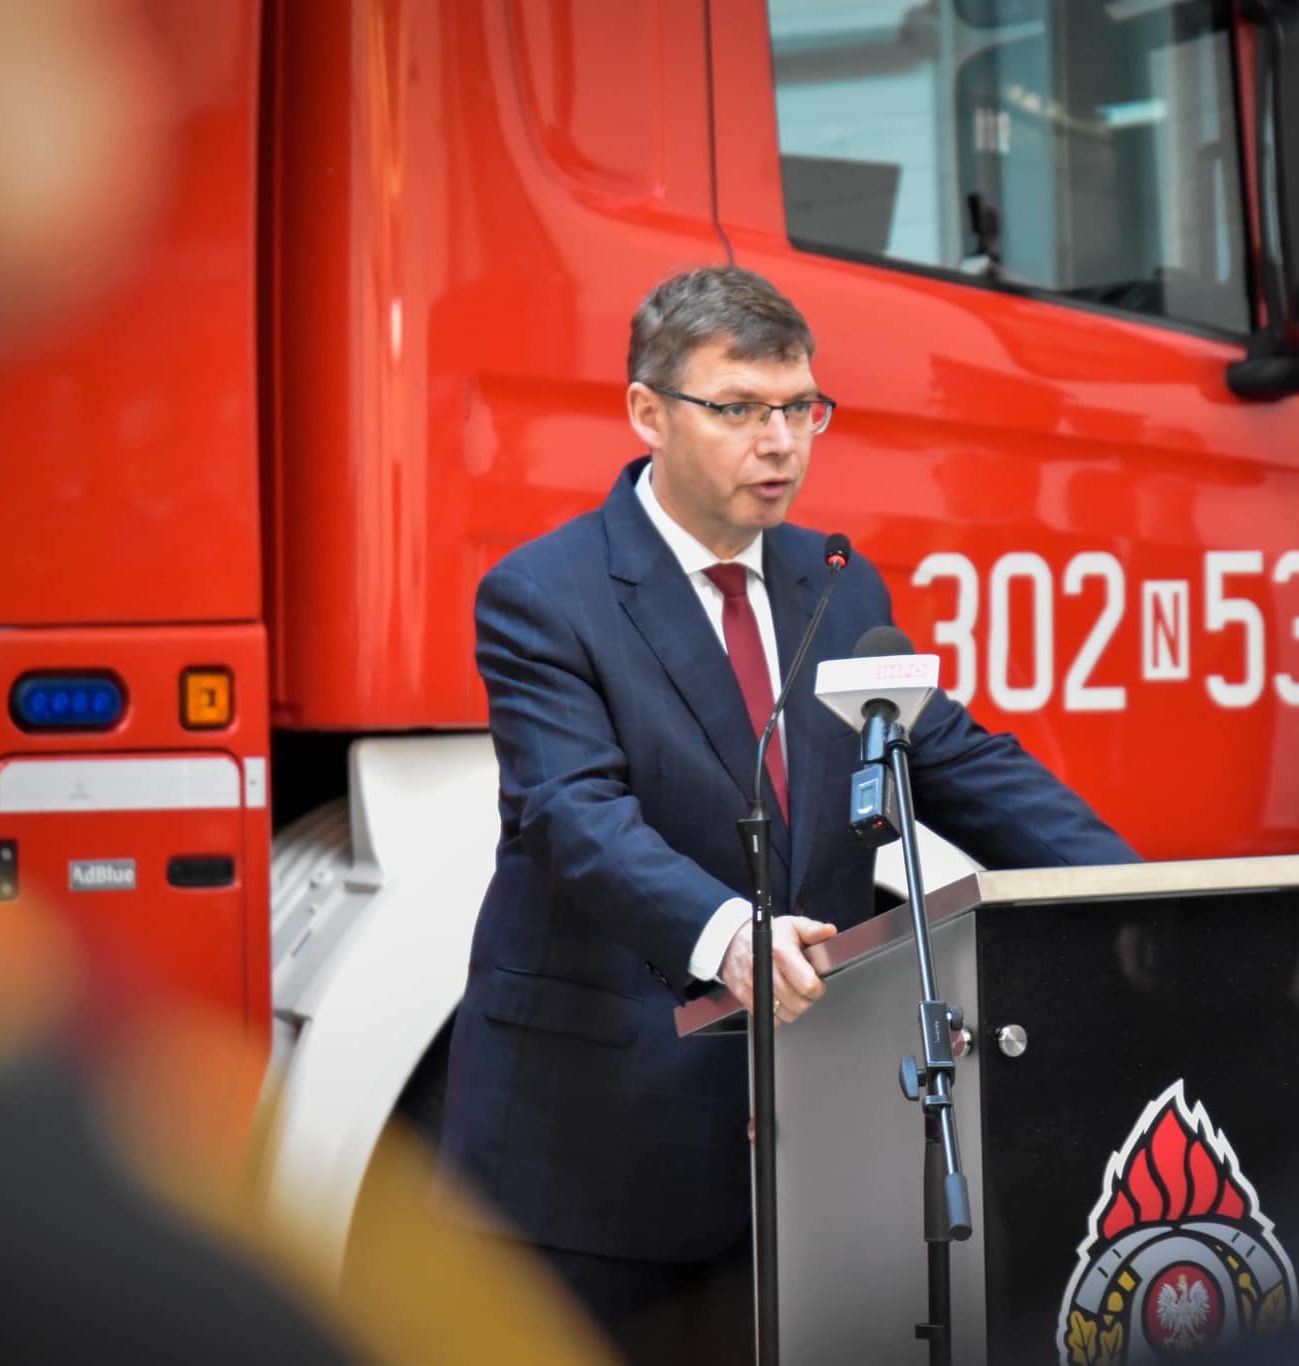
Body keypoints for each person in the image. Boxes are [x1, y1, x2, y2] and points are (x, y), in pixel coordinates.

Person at [437, 265, 1138, 1362]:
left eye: (801, 408)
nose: (780, 443)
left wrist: (1136, 892)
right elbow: (571, 814)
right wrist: (727, 933)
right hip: (598, 1143)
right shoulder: (545, 594)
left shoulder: (837, 581)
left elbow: (949, 754)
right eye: (738, 409)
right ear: (647, 412)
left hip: (804, 1138)